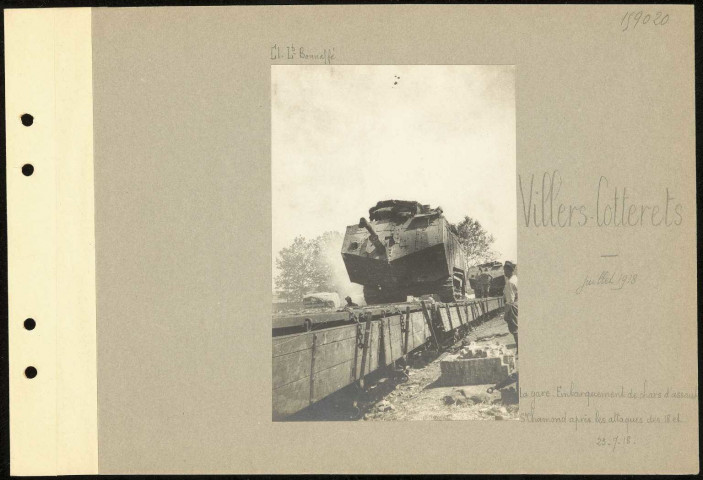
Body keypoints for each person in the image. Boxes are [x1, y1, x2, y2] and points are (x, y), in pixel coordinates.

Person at [503, 261, 518, 352]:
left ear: (509, 270)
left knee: (514, 329)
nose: (504, 273)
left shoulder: (510, 283)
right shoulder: (516, 278)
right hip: (518, 304)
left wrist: (505, 314)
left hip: (513, 307)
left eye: (505, 271)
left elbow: (510, 301)